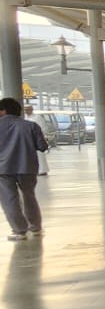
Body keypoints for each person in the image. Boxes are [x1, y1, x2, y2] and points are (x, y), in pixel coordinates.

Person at [0, 97, 48, 242]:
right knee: (29, 196)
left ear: (3, 111)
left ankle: (19, 231)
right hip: (27, 167)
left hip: (3, 169)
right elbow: (42, 146)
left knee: (9, 199)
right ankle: (35, 227)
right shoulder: (31, 126)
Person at [22, 106, 48, 175]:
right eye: (25, 109)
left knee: (39, 155)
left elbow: (43, 128)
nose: (26, 111)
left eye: (27, 109)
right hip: (28, 139)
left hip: (37, 138)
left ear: (31, 109)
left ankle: (42, 170)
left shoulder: (37, 117)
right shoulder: (24, 118)